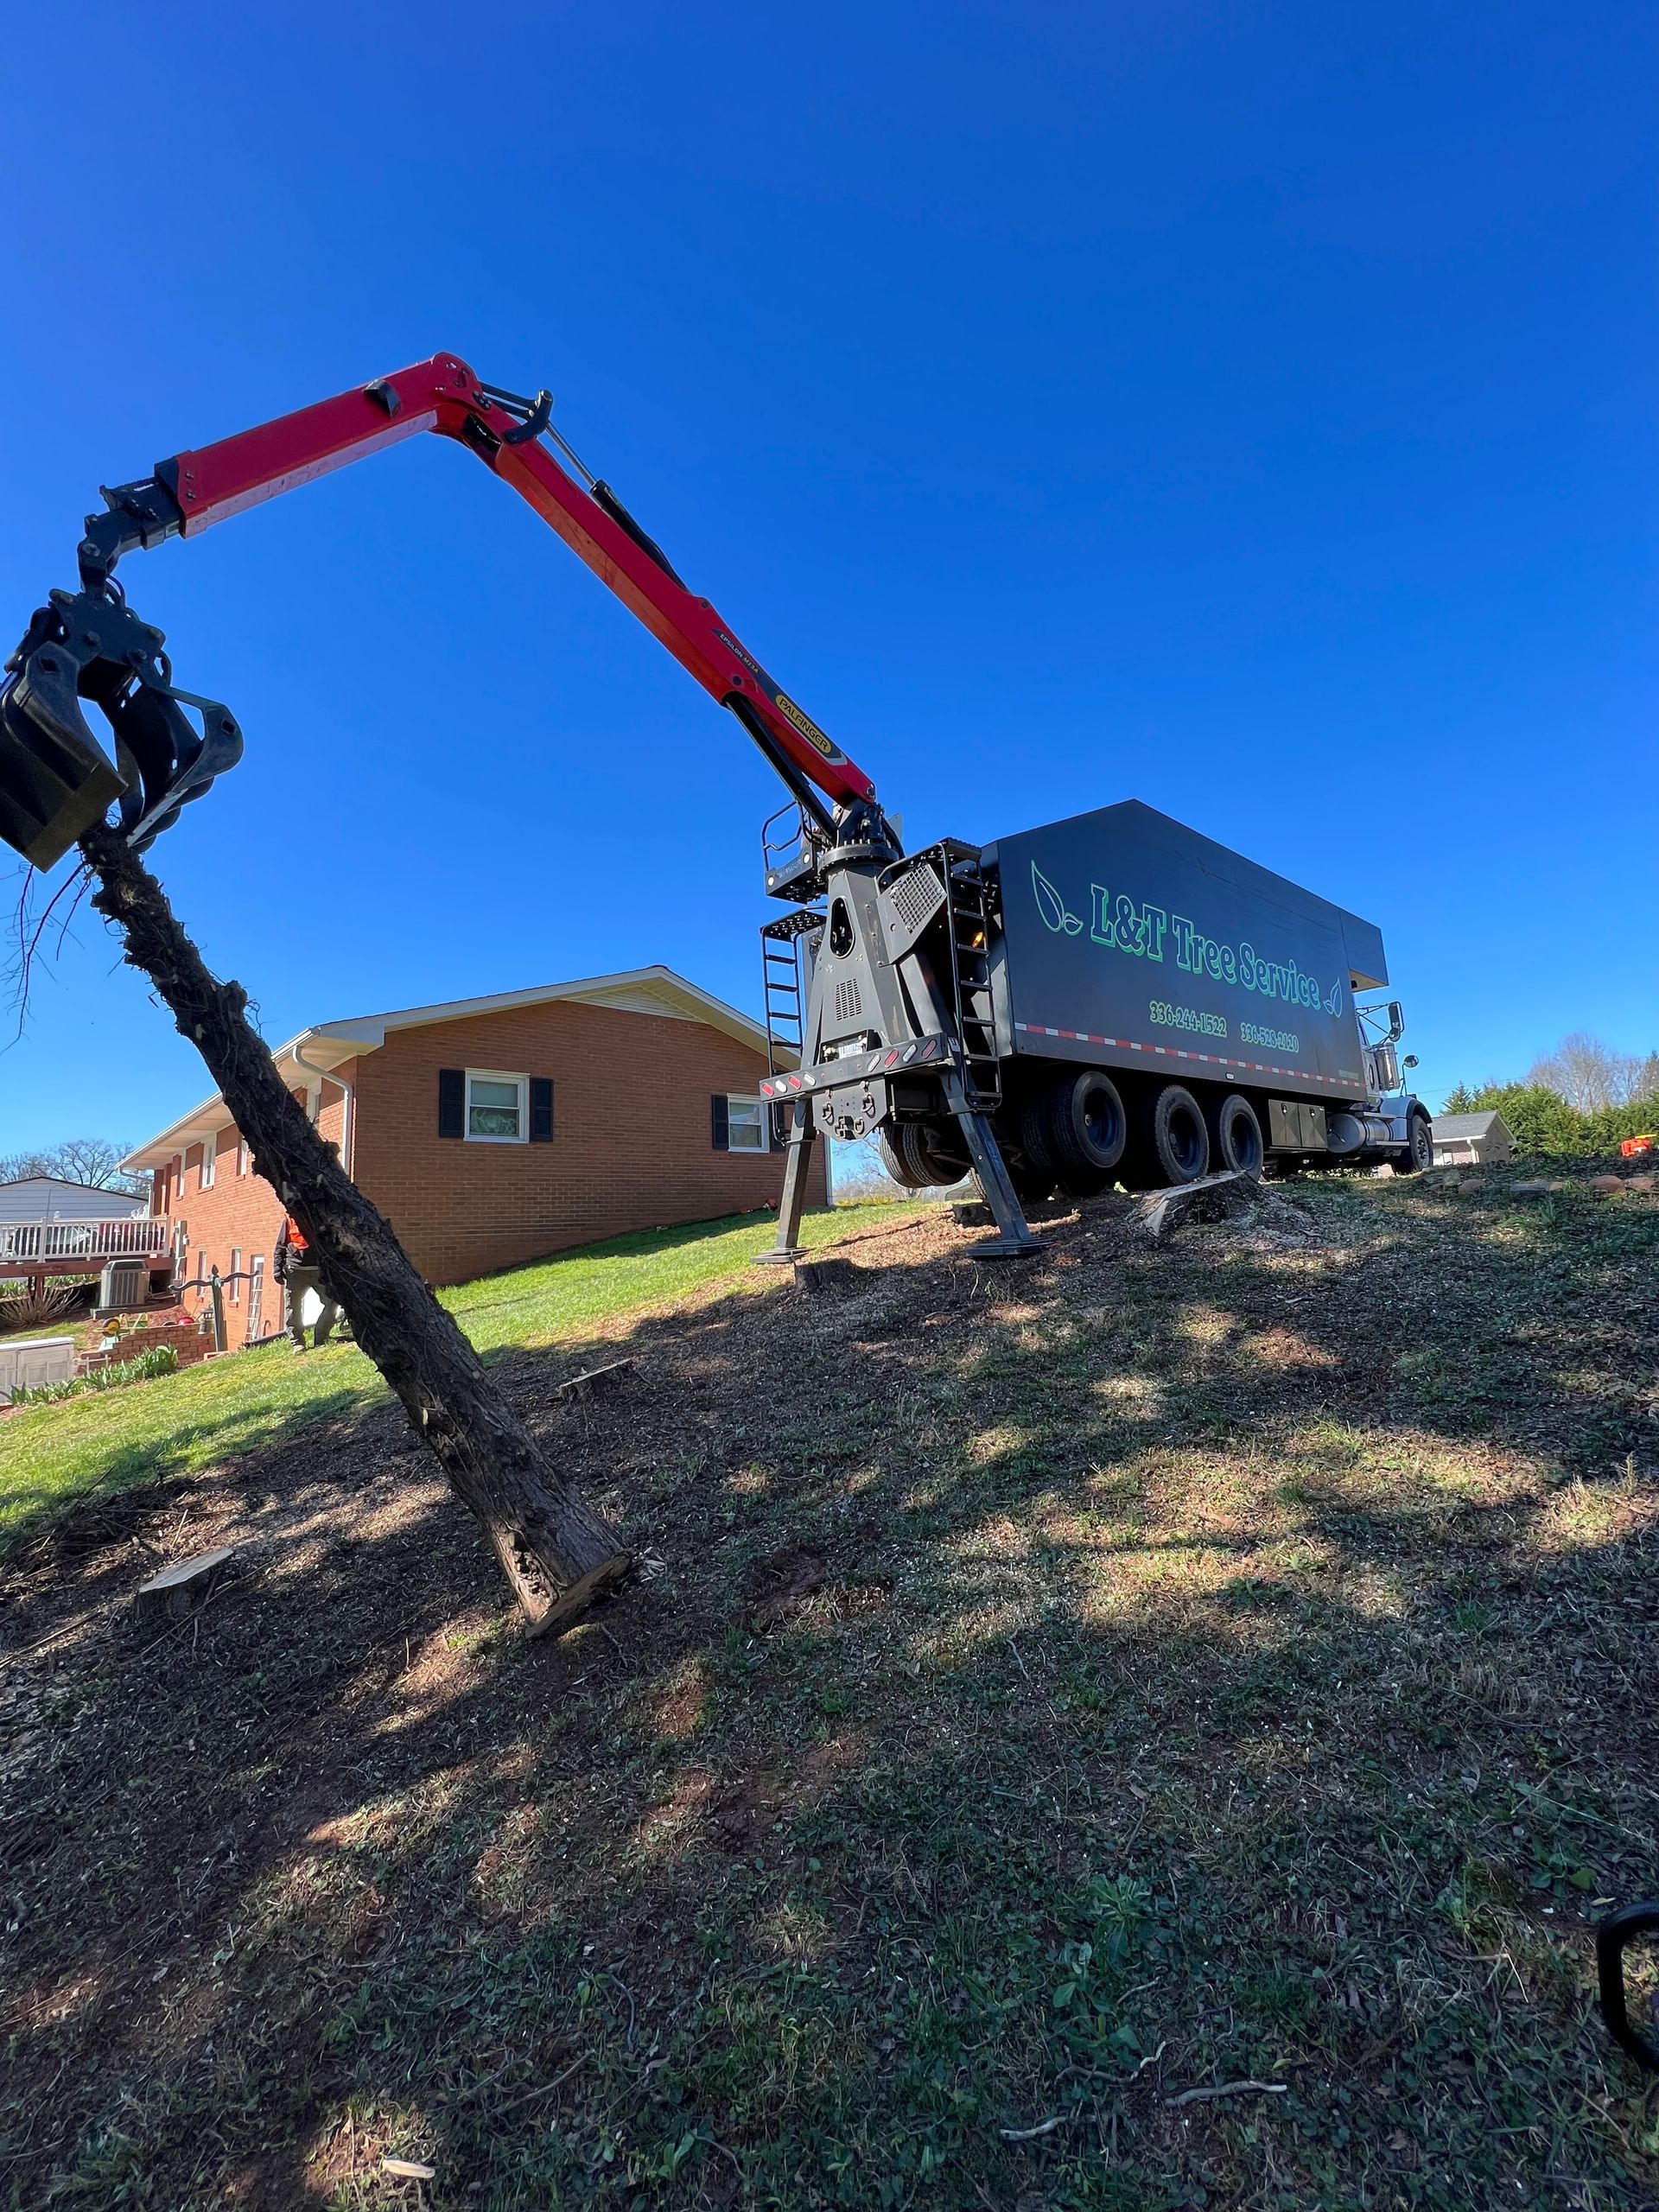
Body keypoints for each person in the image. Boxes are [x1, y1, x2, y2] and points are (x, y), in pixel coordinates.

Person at [274, 1211, 340, 1351]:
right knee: (293, 1307)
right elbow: (280, 1245)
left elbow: (332, 1244)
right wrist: (277, 1269)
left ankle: (321, 1339)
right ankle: (297, 1343)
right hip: (295, 1271)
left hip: (318, 1270)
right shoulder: (289, 1220)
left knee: (332, 1302)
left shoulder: (321, 1217)